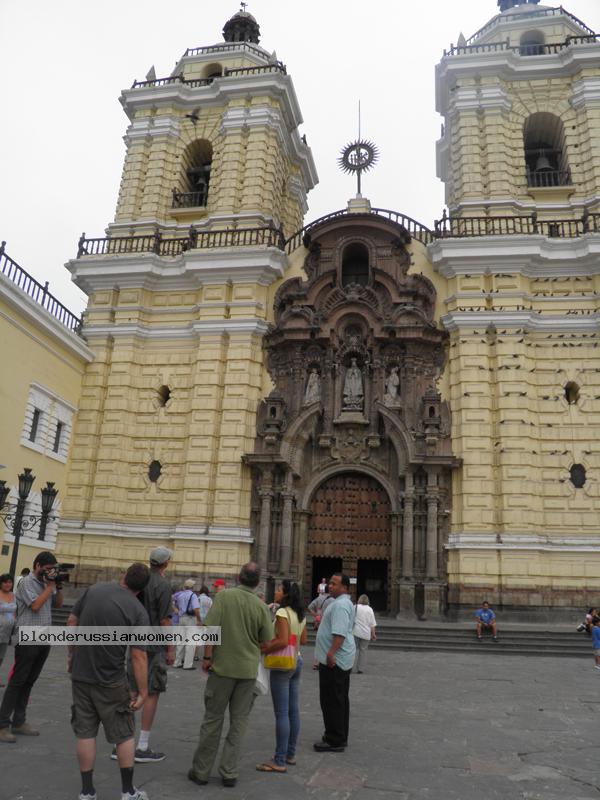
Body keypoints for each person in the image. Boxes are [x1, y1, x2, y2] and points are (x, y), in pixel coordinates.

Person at [68, 563, 151, 800]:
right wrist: (143, 692)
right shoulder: (138, 610)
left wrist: (71, 654)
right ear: (142, 588)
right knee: (123, 734)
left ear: (124, 575)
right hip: (112, 680)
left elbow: (72, 622)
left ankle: (87, 792)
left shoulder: (94, 589)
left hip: (81, 675)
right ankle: (128, 791)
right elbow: (138, 655)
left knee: (85, 733)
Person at [188, 562, 272, 788]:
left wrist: (207, 657)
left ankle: (201, 771)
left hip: (222, 669)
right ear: (257, 582)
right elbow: (266, 641)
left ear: (238, 577)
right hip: (247, 672)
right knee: (239, 722)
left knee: (212, 719)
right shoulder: (261, 606)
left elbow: (211, 630)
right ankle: (229, 772)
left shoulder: (224, 597)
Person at [0, 551, 63, 743]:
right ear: (37, 566)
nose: (50, 572)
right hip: (27, 637)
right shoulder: (26, 582)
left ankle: (19, 722)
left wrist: (58, 586)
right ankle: (2, 725)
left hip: (44, 638)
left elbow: (58, 605)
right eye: (47, 569)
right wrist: (49, 586)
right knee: (18, 681)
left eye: (53, 570)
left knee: (29, 681)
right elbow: (35, 606)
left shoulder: (47, 583)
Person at [127, 546, 174, 763]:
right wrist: (171, 647)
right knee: (152, 692)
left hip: (135, 640)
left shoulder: (139, 579)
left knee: (132, 690)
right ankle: (142, 745)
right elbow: (164, 620)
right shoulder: (163, 585)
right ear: (166, 563)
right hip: (154, 645)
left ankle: (121, 743)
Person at [256, 580, 307, 773]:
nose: (276, 592)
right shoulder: (299, 614)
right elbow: (303, 640)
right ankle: (290, 754)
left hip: (283, 665)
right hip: (297, 661)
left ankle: (279, 760)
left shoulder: (282, 613)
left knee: (282, 713)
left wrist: (263, 648)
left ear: (285, 594)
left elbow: (283, 641)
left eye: (278, 589)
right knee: (293, 711)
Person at [314, 573, 356, 753]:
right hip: (341, 659)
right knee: (339, 699)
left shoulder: (340, 605)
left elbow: (339, 633)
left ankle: (334, 739)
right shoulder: (343, 603)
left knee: (331, 700)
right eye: (330, 583)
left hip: (335, 661)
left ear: (344, 587)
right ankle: (339, 735)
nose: (330, 586)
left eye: (334, 584)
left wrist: (330, 653)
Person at [173, 579, 200, 670]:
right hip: (190, 619)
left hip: (181, 618)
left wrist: (177, 611)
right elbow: (196, 609)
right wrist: (199, 620)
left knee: (180, 641)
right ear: (192, 587)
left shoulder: (180, 595)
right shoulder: (193, 595)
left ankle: (177, 662)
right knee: (191, 642)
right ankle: (187, 664)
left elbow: (172, 602)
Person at [308, 589, 335, 669]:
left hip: (319, 622)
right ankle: (325, 661)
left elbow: (309, 607)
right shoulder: (334, 600)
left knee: (319, 643)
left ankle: (316, 663)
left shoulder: (319, 598)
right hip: (329, 624)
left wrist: (316, 615)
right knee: (328, 643)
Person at [353, 594, 376, 674]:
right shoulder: (370, 609)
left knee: (352, 650)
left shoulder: (355, 607)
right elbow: (372, 624)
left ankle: (349, 666)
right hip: (366, 633)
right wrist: (373, 634)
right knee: (363, 651)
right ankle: (360, 669)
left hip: (355, 632)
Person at [0, 574, 17, 687]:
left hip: (7, 632)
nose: (7, 584)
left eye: (10, 582)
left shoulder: (13, 595)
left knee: (1, 656)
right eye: (5, 582)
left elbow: (14, 612)